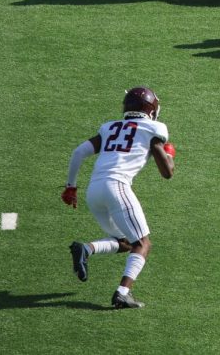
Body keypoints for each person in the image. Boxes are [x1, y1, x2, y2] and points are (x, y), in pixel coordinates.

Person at [61, 86, 175, 310]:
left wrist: (71, 187)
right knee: (143, 244)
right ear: (150, 109)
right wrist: (168, 152)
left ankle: (87, 248)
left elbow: (78, 152)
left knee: (125, 242)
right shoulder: (154, 128)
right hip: (118, 186)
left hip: (94, 190)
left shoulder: (109, 127)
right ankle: (123, 293)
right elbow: (167, 173)